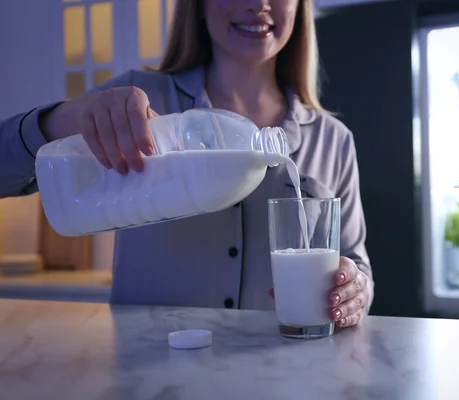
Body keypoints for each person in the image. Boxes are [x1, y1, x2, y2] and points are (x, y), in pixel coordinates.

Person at [0, 0, 373, 328]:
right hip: (150, 379)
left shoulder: (333, 139)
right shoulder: (140, 100)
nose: (258, 4)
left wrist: (354, 291)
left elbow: (358, 268)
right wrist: (60, 120)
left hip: (285, 376)